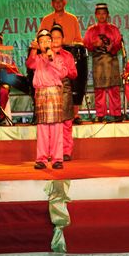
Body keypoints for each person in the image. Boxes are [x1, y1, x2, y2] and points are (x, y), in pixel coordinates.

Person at [39, 0, 84, 124]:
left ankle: (74, 114)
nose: (58, 3)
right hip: (51, 56)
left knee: (73, 83)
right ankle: (48, 113)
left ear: (65, 2)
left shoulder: (72, 19)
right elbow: (40, 38)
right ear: (52, 4)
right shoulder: (46, 19)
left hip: (68, 55)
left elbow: (78, 39)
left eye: (60, 1)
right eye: (55, 1)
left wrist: (75, 44)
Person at [26, 29, 69, 170]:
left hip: (54, 93)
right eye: (41, 41)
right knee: (42, 129)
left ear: (51, 42)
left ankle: (57, 159)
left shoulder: (58, 58)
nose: (44, 43)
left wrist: (51, 59)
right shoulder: (37, 58)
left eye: (47, 41)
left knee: (57, 128)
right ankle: (42, 159)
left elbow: (63, 73)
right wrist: (33, 50)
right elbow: (29, 64)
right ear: (38, 44)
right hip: (41, 93)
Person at [83, 3, 123, 123]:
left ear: (108, 15)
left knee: (113, 89)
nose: (101, 16)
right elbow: (86, 44)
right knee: (99, 90)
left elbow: (118, 43)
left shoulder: (113, 29)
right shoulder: (91, 30)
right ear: (96, 15)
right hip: (98, 62)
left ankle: (116, 113)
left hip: (111, 61)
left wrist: (113, 47)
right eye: (99, 13)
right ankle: (100, 114)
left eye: (104, 13)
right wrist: (94, 44)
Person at [50, 23, 78, 161]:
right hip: (50, 91)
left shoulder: (67, 55)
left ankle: (66, 151)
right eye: (53, 37)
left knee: (66, 123)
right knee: (52, 123)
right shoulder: (45, 54)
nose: (55, 40)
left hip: (64, 90)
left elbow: (74, 74)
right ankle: (53, 152)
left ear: (63, 39)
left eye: (58, 37)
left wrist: (65, 70)